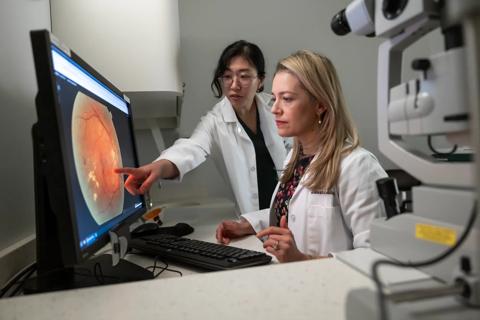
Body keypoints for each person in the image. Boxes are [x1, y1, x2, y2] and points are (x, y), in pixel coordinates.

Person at [215, 50, 387, 262]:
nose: (275, 109)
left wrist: (303, 259)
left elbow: (376, 255)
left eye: (287, 99)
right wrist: (247, 225)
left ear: (321, 105)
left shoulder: (357, 166)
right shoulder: (295, 160)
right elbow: (296, 210)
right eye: (274, 98)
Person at [115, 40, 288, 215]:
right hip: (254, 222)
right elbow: (192, 147)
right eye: (227, 76)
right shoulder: (215, 120)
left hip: (293, 212)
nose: (234, 85)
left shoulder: (277, 108)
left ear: (260, 80)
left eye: (244, 76)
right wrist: (159, 167)